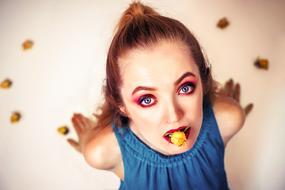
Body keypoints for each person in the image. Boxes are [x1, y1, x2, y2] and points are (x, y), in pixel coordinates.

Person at [67, 1, 253, 189]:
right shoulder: (103, 153)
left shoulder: (228, 119)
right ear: (121, 106)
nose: (174, 116)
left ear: (203, 81)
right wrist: (88, 140)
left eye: (185, 88)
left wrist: (222, 103)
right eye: (147, 100)